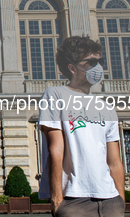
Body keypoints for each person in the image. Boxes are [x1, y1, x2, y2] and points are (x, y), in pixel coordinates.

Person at [38, 36, 125, 217]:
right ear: (72, 67)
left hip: (111, 201)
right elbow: (56, 150)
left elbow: (115, 162)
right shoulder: (55, 95)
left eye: (100, 61)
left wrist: (121, 200)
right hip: (74, 200)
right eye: (92, 62)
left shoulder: (106, 107)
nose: (98, 67)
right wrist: (57, 201)